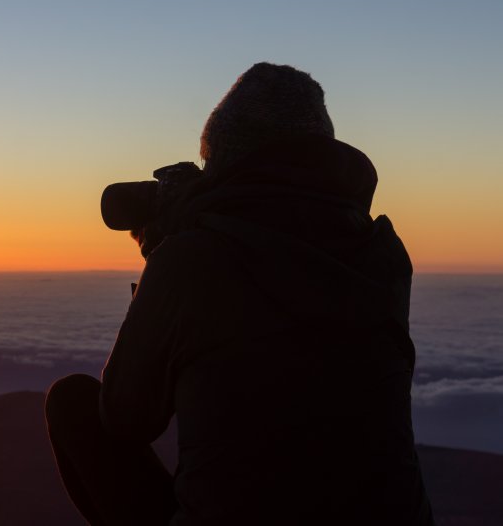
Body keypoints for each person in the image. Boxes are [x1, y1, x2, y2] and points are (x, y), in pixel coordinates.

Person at [44, 63, 435, 525]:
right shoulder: (383, 256)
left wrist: (163, 256)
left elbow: (127, 418)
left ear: (224, 164)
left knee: (74, 403)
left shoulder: (192, 259)